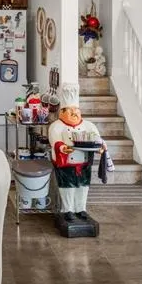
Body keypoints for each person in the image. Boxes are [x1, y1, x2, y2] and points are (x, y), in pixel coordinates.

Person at [48, 83, 111, 221]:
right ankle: (68, 210)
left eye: (76, 110)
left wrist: (101, 146)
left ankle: (81, 208)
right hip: (66, 163)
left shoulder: (88, 125)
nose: (74, 113)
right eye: (70, 110)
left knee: (83, 186)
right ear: (62, 112)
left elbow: (96, 138)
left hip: (84, 162)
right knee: (67, 187)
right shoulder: (56, 126)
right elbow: (55, 140)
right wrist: (62, 147)